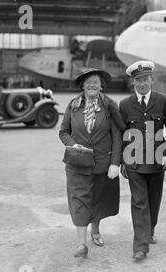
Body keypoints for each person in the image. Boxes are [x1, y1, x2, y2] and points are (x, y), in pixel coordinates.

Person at [59, 68, 125, 258]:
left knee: (97, 199)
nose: (92, 85)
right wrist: (73, 144)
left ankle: (95, 231)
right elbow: (63, 131)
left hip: (102, 163)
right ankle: (81, 244)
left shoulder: (110, 106)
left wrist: (115, 163)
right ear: (83, 85)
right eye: (88, 82)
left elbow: (117, 136)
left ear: (101, 85)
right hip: (77, 162)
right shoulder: (73, 105)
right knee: (79, 200)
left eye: (96, 82)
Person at [119, 61, 166, 262]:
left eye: (145, 79)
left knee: (153, 200)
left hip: (157, 162)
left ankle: (150, 229)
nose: (142, 83)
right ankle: (140, 246)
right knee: (139, 202)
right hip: (133, 163)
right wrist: (121, 161)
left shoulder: (163, 101)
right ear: (132, 82)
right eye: (137, 80)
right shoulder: (124, 105)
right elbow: (121, 133)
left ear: (152, 79)